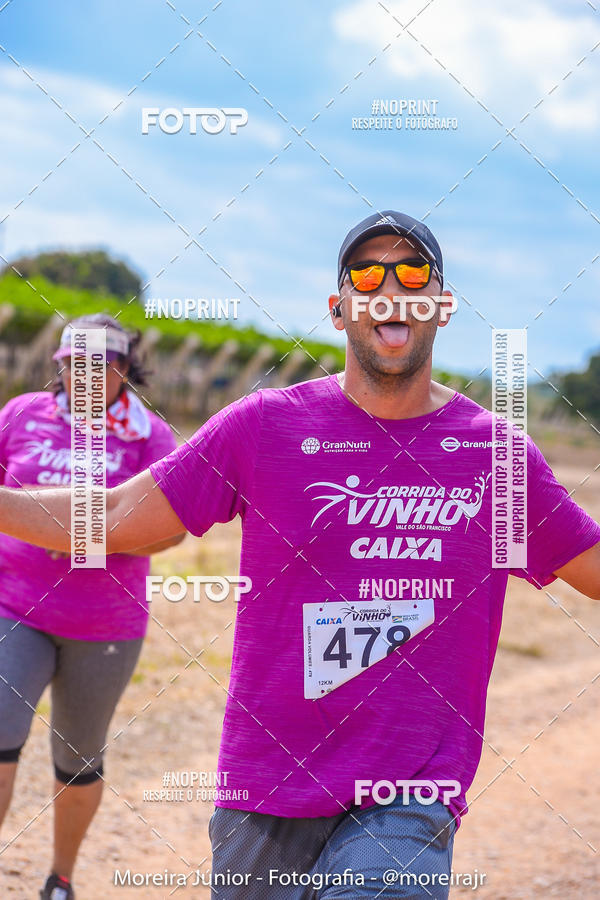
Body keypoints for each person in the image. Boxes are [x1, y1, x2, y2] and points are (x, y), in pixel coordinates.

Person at [1, 213, 599, 898]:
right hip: (266, 785)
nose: (391, 289)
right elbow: (110, 517)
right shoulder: (264, 427)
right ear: (340, 309)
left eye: (413, 275)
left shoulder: (496, 459)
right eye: (368, 275)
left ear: (441, 304)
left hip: (408, 793)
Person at [0, 313, 183, 900]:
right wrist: (92, 523)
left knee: (76, 759)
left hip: (104, 625)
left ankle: (60, 876)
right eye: (73, 363)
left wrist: (69, 530)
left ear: (124, 370)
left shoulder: (149, 437)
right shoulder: (22, 414)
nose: (84, 375)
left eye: (99, 364)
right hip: (13, 607)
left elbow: (170, 530)